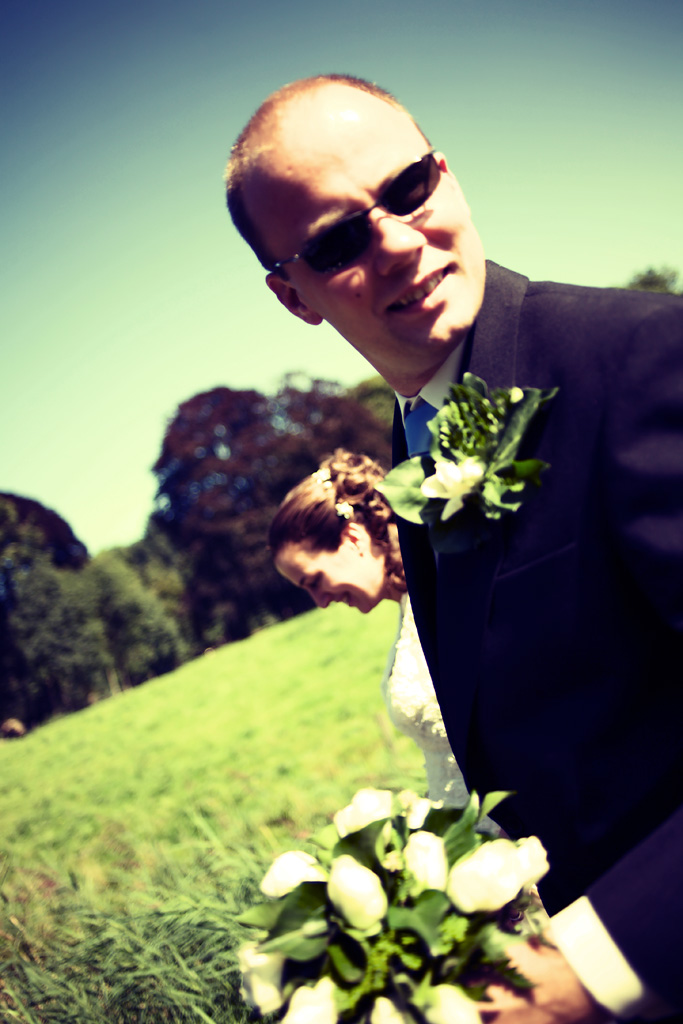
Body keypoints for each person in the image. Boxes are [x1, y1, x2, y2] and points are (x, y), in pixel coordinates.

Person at [224, 74, 683, 1021]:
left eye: (408, 189)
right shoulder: (417, 445)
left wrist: (595, 964)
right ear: (292, 295)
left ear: (448, 174)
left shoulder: (640, 354)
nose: (397, 240)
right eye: (338, 241)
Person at [269, 448, 472, 809]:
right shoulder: (407, 609)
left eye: (314, 580)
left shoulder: (445, 587)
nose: (320, 601)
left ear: (352, 539)